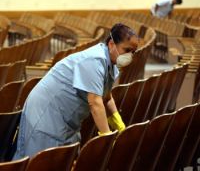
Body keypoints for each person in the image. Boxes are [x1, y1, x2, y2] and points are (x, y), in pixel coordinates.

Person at [13, 23, 139, 159]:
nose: (129, 56)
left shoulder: (111, 64)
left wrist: (118, 122)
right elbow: (95, 103)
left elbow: (106, 97)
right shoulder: (95, 60)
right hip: (46, 113)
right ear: (111, 44)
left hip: (67, 119)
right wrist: (106, 137)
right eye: (126, 50)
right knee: (40, 162)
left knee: (63, 160)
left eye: (133, 52)